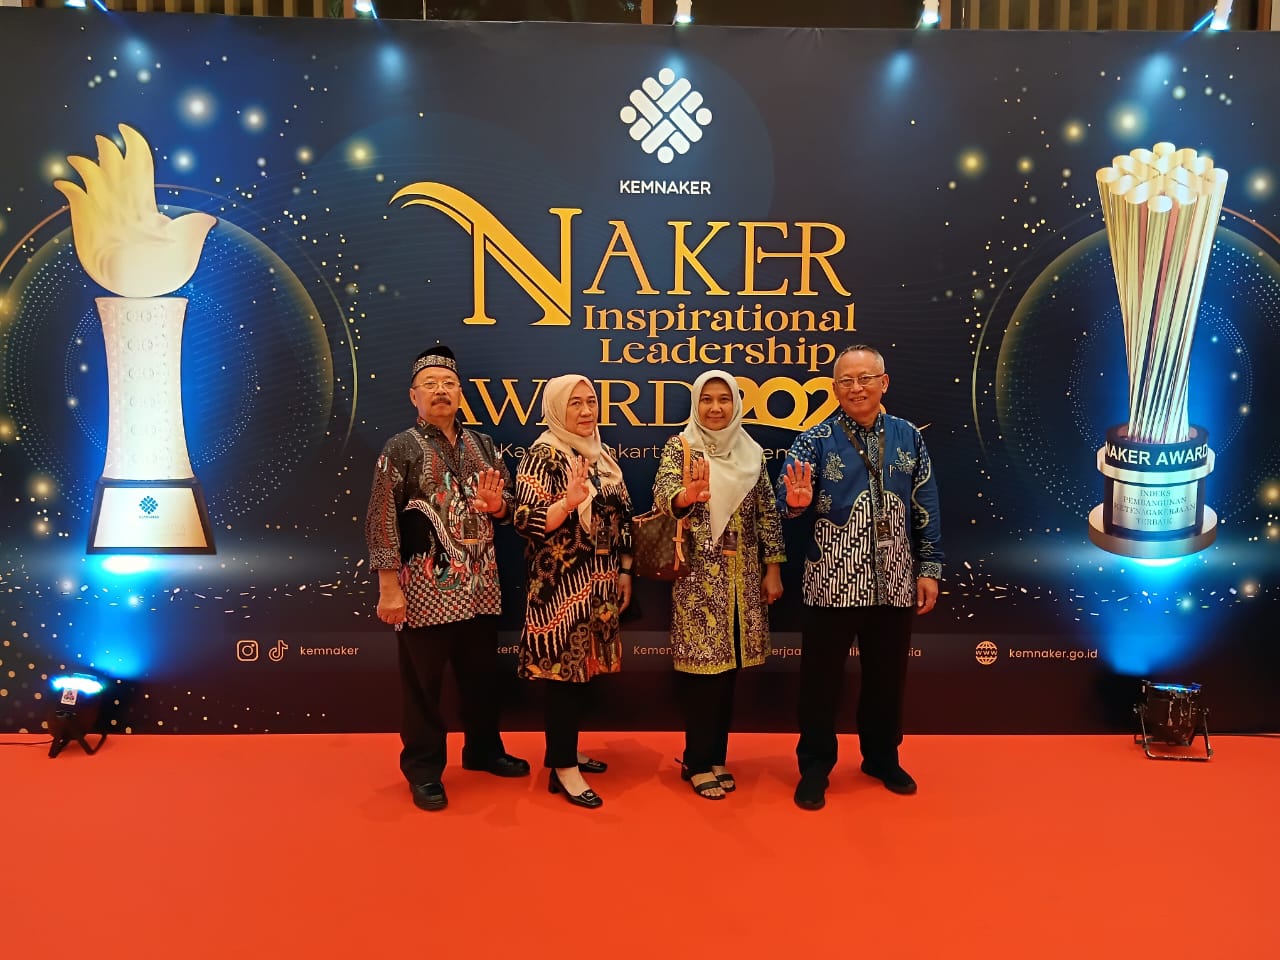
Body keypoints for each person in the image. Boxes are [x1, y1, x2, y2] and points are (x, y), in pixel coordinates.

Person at [777, 344, 943, 810]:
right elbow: (783, 502)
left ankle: (882, 757)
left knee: (887, 679)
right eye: (846, 381)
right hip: (830, 581)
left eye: (865, 378)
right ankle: (814, 766)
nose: (856, 388)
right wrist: (795, 503)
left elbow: (926, 504)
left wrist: (929, 568)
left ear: (883, 383)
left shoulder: (909, 437)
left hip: (895, 580)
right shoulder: (813, 440)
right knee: (820, 683)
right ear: (834, 389)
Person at [364, 344, 529, 812]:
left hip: (480, 585)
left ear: (460, 393)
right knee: (423, 687)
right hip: (423, 589)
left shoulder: (484, 445)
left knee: (482, 679)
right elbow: (381, 519)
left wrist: (498, 507)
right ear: (413, 396)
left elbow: (510, 508)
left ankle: (483, 750)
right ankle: (423, 769)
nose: (441, 391)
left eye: (449, 384)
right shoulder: (400, 447)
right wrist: (389, 587)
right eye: (430, 385)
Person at [651, 370, 785, 800]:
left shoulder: (751, 452)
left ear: (736, 404)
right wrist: (686, 497)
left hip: (742, 580)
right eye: (706, 399)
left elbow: (767, 514)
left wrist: (773, 569)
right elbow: (662, 497)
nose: (714, 408)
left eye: (723, 399)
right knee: (702, 675)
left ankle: (717, 757)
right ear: (695, 404)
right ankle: (695, 760)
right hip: (698, 582)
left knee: (728, 674)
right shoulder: (681, 446)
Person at [512, 374, 633, 809]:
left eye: (591, 401)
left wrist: (624, 570)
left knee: (581, 671)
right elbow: (524, 520)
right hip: (560, 587)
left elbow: (622, 516)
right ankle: (563, 768)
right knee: (563, 675)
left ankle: (565, 750)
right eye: (575, 403)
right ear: (556, 409)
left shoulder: (602, 455)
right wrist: (567, 502)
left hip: (599, 581)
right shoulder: (542, 455)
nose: (585, 411)